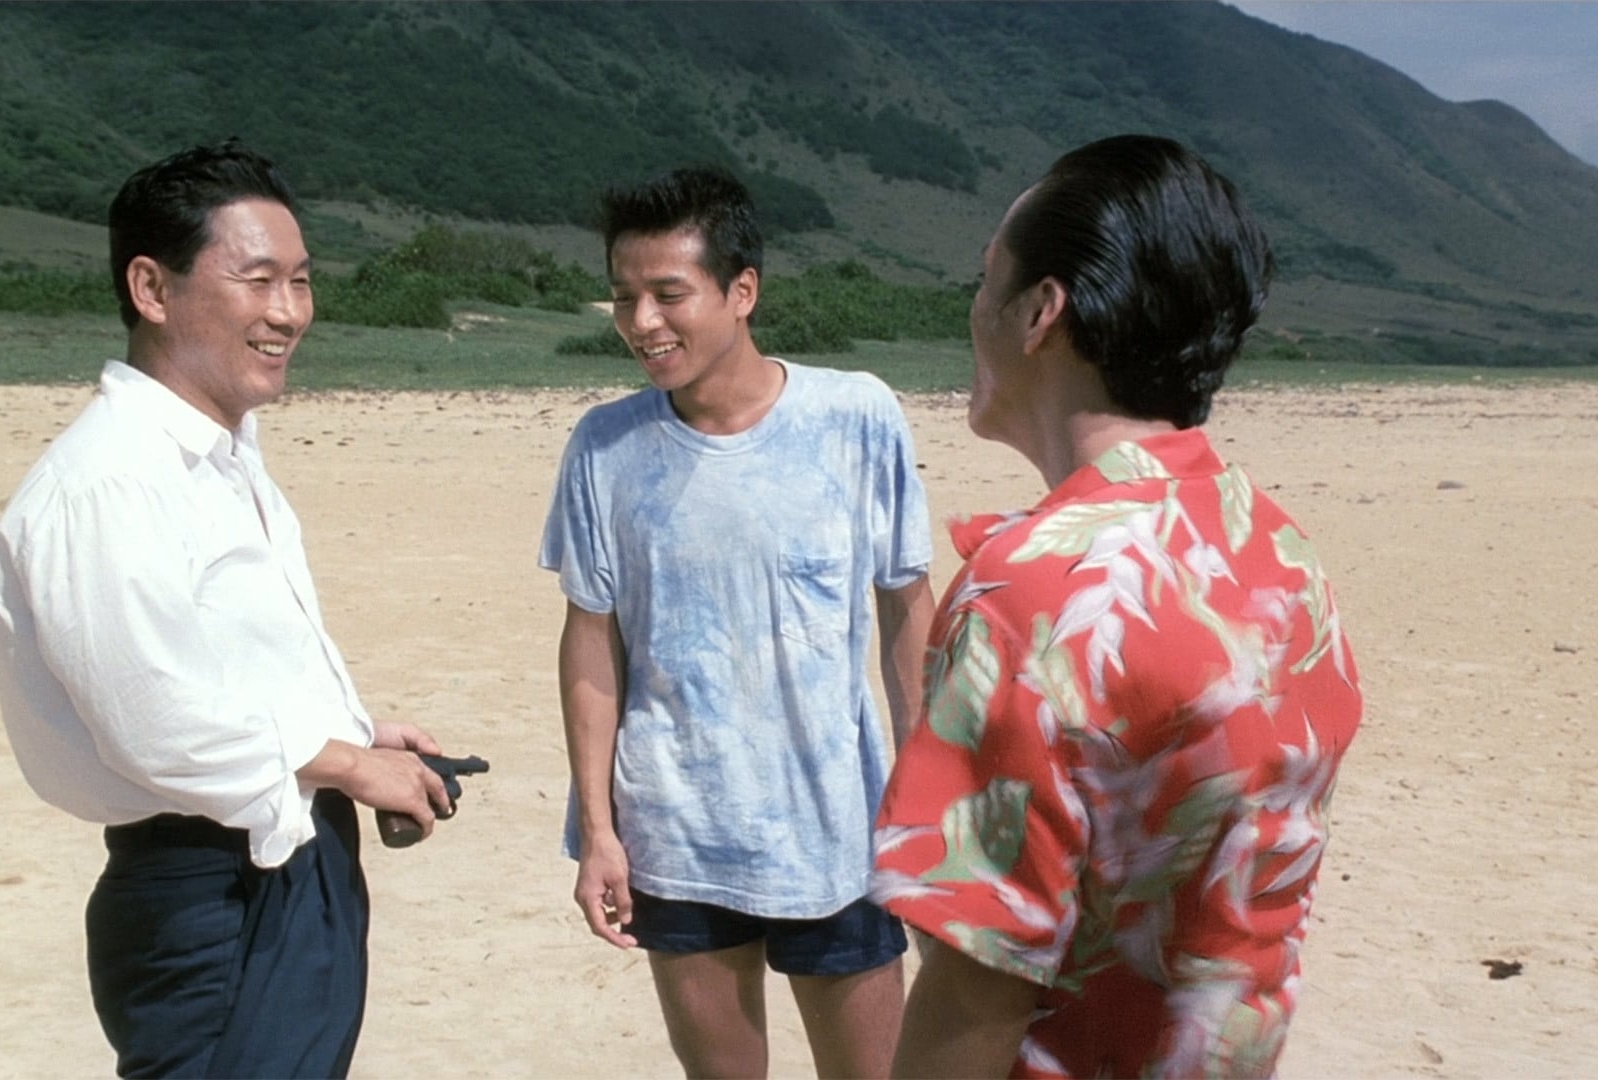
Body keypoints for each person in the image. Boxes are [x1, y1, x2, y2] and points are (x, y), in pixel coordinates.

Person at [870, 135, 1364, 1078]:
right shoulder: (1275, 552)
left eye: (985, 280)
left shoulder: (1035, 593)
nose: (973, 308)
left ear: (1039, 313)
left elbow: (981, 978)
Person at [0, 140, 453, 1078]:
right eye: (258, 280)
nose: (289, 311)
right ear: (152, 289)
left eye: (301, 281)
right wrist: (349, 764)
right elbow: (157, 721)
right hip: (208, 894)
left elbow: (219, 665)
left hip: (282, 863)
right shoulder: (108, 483)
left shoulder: (220, 455)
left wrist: (349, 729)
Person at [539, 166, 936, 1079]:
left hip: (835, 827)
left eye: (668, 294)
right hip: (674, 830)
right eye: (625, 297)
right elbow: (591, 643)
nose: (642, 321)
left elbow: (906, 608)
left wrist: (922, 792)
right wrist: (599, 831)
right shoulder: (604, 447)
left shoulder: (856, 417)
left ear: (742, 290)